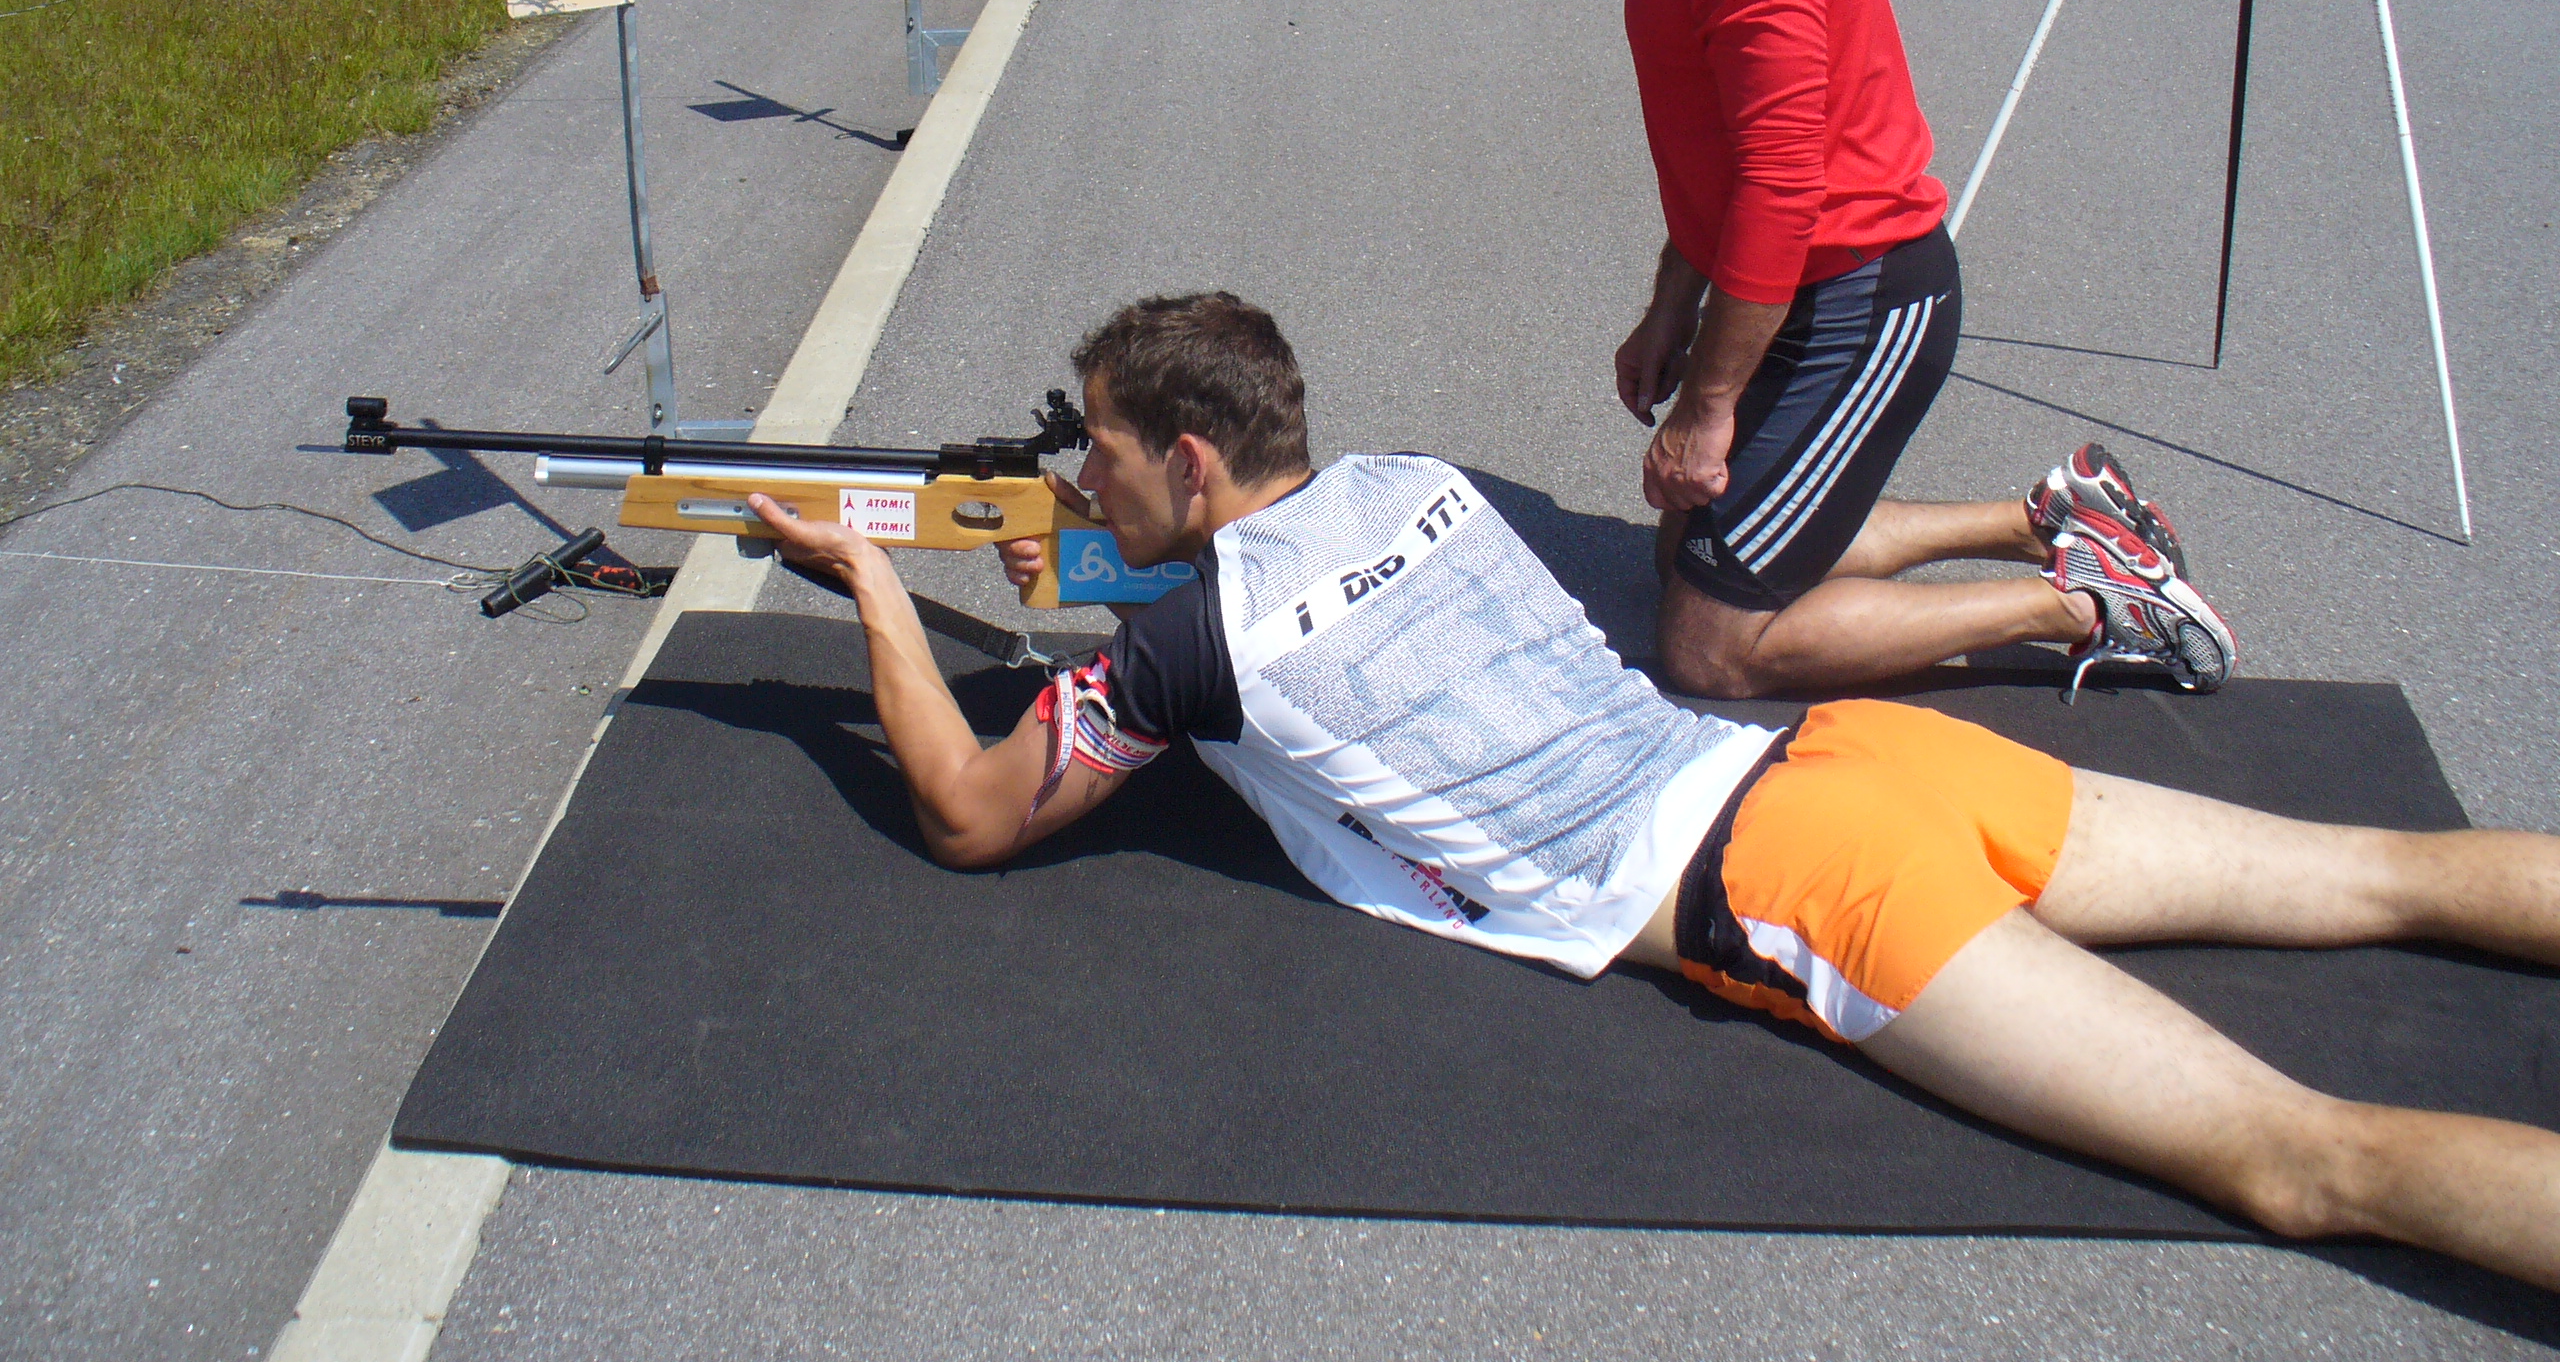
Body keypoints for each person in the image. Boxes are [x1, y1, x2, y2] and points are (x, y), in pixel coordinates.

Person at [748, 294, 2560, 1291]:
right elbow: (1312, 610)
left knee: (2305, 1160)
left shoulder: (1186, 646)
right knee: (2386, 874)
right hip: (1857, 757)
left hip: (1798, 876)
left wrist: (879, 590)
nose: (1086, 480)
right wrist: (1109, 570)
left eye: (1101, 453)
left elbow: (971, 813)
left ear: (1194, 461)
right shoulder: (1415, 482)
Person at [1545, 0, 2234, 702]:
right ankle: (2047, 517)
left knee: (1709, 647)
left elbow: (1778, 178)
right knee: (1688, 557)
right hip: (1789, 283)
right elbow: (1721, 140)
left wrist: (1708, 408)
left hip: (1857, 300)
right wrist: (1671, 303)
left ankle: (2088, 596)